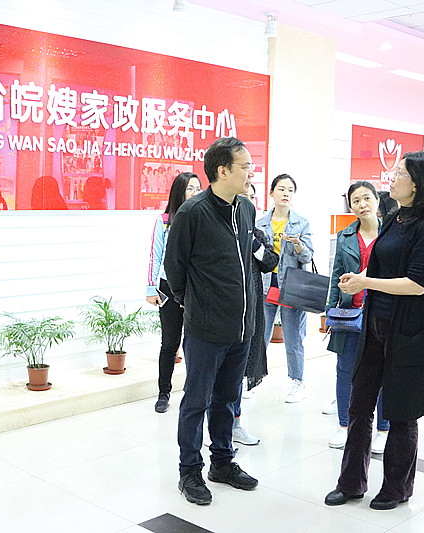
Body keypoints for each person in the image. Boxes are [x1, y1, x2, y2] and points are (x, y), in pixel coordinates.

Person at [324, 151, 424, 511]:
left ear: (418, 184)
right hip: (375, 326)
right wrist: (361, 279)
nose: (391, 178)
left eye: (400, 173)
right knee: (359, 406)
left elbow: (417, 284)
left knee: (401, 412)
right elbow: (382, 265)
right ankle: (351, 483)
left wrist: (367, 282)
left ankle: (397, 488)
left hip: (407, 332)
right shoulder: (395, 217)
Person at [164, 137, 263, 505]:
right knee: (197, 401)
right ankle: (189, 470)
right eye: (245, 167)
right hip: (206, 329)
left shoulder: (247, 208)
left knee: (228, 399)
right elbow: (174, 268)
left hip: (242, 327)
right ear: (223, 171)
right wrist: (192, 302)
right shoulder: (192, 213)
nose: (251, 173)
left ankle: (222, 462)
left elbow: (250, 261)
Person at [325, 181, 389, 453]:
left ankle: (383, 429)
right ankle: (344, 425)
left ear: (377, 200)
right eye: (356, 201)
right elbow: (335, 276)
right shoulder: (345, 236)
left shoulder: (391, 234)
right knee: (345, 370)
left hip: (382, 313)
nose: (362, 205)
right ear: (350, 206)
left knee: (383, 372)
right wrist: (329, 311)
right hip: (349, 313)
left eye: (366, 198)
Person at [146, 172, 203, 414]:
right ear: (179, 191)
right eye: (190, 188)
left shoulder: (202, 218)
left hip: (195, 289)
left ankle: (194, 392)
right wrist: (151, 288)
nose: (195, 193)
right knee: (170, 343)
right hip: (169, 288)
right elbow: (155, 255)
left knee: (195, 344)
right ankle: (164, 392)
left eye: (198, 188)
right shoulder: (164, 220)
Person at [255, 174, 314, 403]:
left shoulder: (301, 223)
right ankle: (253, 378)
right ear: (271, 193)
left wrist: (298, 244)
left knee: (293, 337)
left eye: (290, 189)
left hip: (292, 286)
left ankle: (298, 381)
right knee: (260, 335)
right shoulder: (261, 223)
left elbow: (308, 256)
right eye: (281, 189)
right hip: (266, 284)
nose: (286, 193)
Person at [231, 183, 279, 445]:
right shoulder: (222, 230)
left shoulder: (257, 234)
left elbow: (270, 262)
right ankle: (217, 427)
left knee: (240, 371)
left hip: (251, 311)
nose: (248, 202)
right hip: (224, 312)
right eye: (243, 197)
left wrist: (253, 244)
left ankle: (235, 425)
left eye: (252, 197)